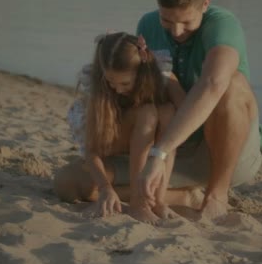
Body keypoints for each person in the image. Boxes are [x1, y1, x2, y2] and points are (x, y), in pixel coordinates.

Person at [135, 0, 262, 220]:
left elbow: (214, 84)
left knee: (231, 83)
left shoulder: (222, 24)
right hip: (175, 152)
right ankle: (184, 196)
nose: (177, 31)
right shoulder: (147, 25)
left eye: (186, 22)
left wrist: (159, 152)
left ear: (205, 4)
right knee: (70, 182)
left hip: (227, 154)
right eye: (167, 20)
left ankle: (216, 193)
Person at [54, 32, 183, 223]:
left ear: (141, 72)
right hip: (115, 157)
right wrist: (105, 189)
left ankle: (149, 202)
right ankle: (177, 198)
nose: (118, 89)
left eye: (125, 83)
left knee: (163, 111)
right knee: (64, 185)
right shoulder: (98, 91)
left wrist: (160, 155)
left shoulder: (160, 76)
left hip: (154, 160)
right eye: (111, 82)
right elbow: (91, 151)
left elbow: (186, 114)